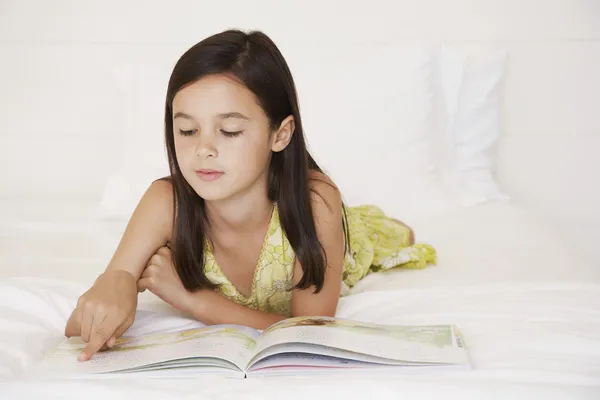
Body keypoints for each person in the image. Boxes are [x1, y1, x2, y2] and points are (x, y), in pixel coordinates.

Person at [64, 29, 436, 362]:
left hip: (346, 235)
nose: (204, 149)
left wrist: (195, 301)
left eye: (229, 131)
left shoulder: (316, 202)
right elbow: (77, 325)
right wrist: (117, 282)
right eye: (188, 130)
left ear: (281, 134)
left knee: (391, 237)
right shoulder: (165, 202)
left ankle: (376, 225)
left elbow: (311, 331)